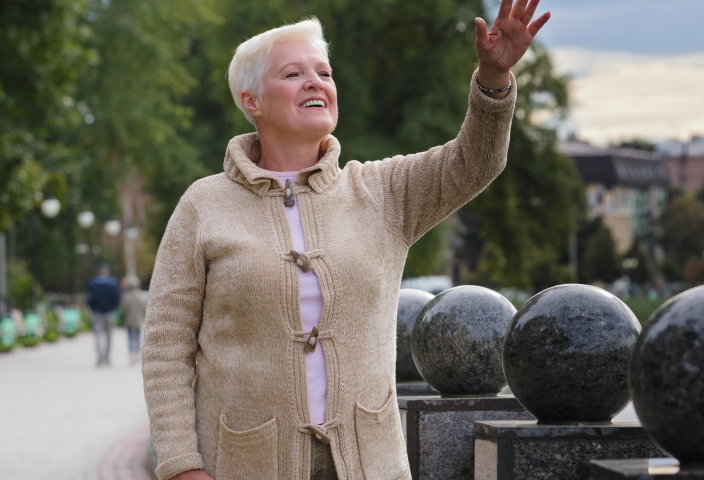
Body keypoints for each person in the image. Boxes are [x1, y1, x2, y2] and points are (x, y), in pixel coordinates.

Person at [142, 1, 550, 479]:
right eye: (293, 73)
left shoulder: (381, 191)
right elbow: (166, 347)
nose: (315, 82)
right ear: (252, 100)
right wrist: (181, 466)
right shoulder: (203, 205)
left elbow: (474, 163)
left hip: (369, 464)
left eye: (324, 72)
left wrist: (493, 78)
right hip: (243, 464)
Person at [86, 264, 121, 367]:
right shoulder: (112, 282)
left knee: (97, 336)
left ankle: (99, 357)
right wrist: (113, 307)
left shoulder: (92, 282)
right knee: (109, 336)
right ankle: (107, 357)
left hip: (97, 312)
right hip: (109, 312)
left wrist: (93, 307)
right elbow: (116, 297)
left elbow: (89, 298)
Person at [120, 276, 147, 365]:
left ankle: (132, 354)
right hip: (138, 320)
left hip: (129, 320)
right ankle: (137, 354)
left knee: (130, 337)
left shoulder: (126, 296)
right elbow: (144, 308)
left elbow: (123, 309)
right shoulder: (140, 295)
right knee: (137, 337)